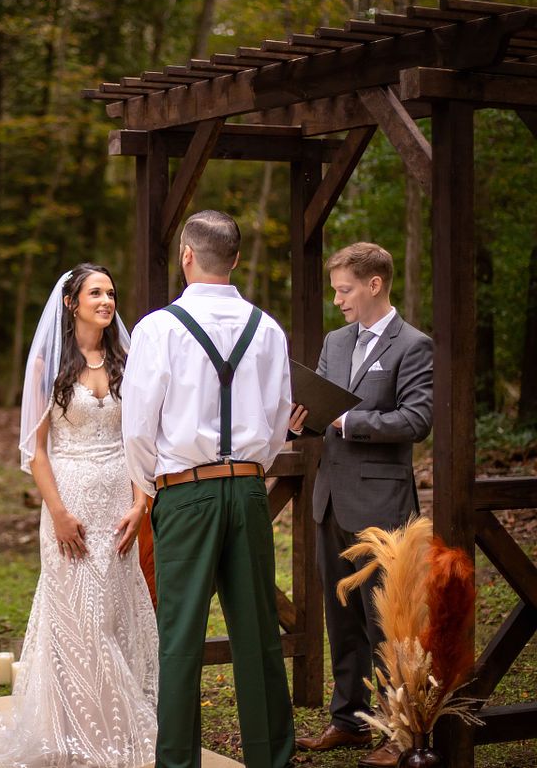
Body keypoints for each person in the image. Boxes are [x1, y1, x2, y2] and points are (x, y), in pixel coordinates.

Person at [0, 263, 158, 768]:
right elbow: (35, 452)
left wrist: (140, 502)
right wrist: (59, 513)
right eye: (96, 293)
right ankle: (78, 733)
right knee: (77, 619)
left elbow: (137, 440)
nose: (107, 301)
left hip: (118, 503)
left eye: (111, 292)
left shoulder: (126, 360)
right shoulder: (48, 363)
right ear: (72, 303)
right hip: (69, 503)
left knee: (113, 614)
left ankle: (118, 728)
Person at [123, 210, 294, 768]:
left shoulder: (158, 328)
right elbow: (275, 425)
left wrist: (156, 484)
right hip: (247, 489)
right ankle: (272, 760)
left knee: (179, 638)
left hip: (184, 490)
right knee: (259, 636)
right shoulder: (267, 329)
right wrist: (248, 471)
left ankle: (177, 764)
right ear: (237, 259)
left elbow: (138, 426)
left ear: (187, 256)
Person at [293, 242, 433, 768]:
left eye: (345, 290)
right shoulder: (335, 341)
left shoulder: (414, 346)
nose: (338, 300)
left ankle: (399, 731)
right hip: (330, 500)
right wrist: (302, 418)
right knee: (342, 617)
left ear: (375, 285)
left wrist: (348, 422)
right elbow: (324, 409)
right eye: (335, 290)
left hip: (381, 503)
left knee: (388, 623)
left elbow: (416, 420)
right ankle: (349, 721)